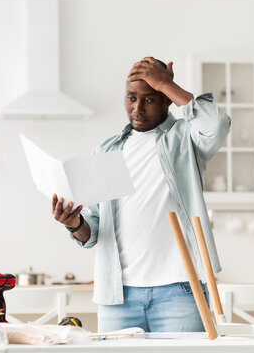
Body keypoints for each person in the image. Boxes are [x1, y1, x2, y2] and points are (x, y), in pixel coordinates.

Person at [51, 57, 231, 332]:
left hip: (180, 290)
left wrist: (167, 83)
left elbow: (216, 125)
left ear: (166, 99)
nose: (137, 108)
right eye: (131, 98)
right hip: (118, 296)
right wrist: (74, 224)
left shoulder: (186, 139)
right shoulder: (107, 150)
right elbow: (95, 227)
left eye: (149, 99)